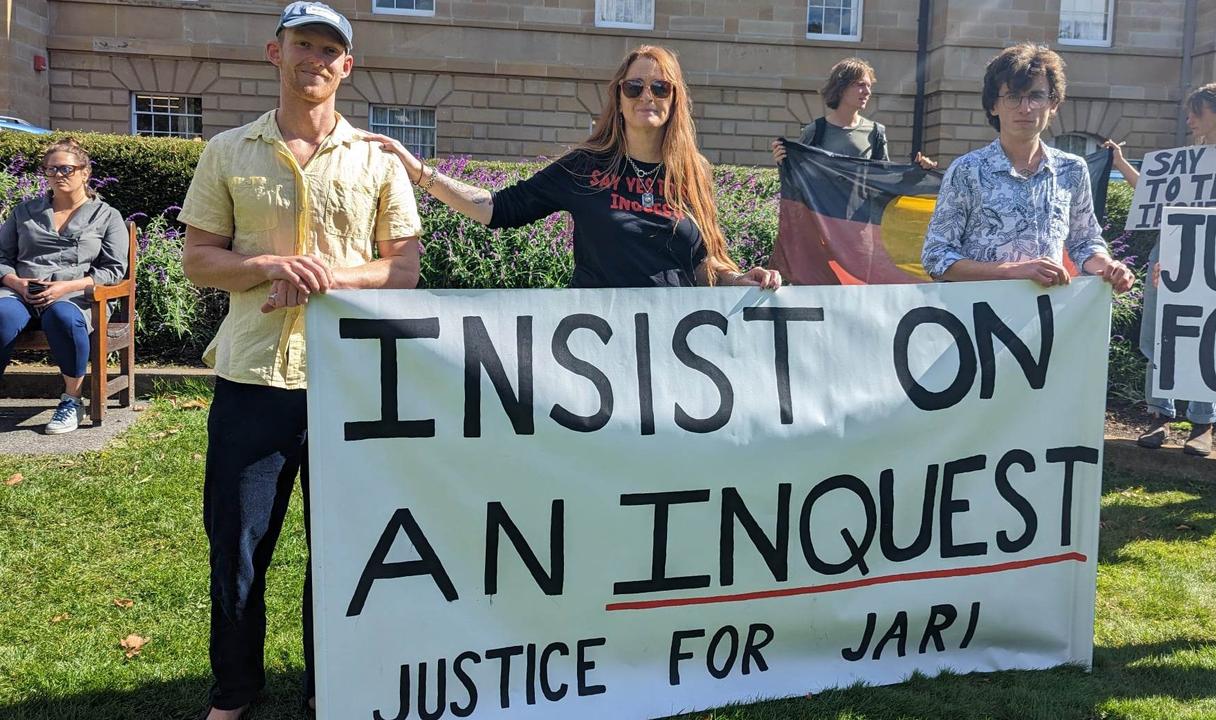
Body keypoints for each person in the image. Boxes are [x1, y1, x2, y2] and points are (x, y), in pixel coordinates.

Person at [177, 3, 422, 718]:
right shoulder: (227, 150)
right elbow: (198, 260)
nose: (314, 59)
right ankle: (235, 691)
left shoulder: (376, 159)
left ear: (349, 66)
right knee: (239, 545)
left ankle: (330, 686)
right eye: (302, 45)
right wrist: (265, 263)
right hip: (253, 379)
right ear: (273, 53)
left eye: (329, 50)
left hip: (351, 383)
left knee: (345, 550)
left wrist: (325, 274)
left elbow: (402, 270)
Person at [367, 45, 781, 290]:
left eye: (660, 87)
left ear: (675, 99)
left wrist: (738, 279)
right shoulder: (586, 167)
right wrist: (419, 171)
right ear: (618, 98)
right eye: (634, 87)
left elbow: (702, 260)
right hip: (599, 337)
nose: (646, 96)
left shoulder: (694, 171)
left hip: (673, 342)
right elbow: (497, 208)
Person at [1103, 80, 1216, 455]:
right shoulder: (1186, 159)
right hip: (1165, 257)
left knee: (1208, 339)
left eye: (1196, 112)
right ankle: (1159, 417)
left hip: (1213, 260)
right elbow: (1154, 196)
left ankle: (1203, 423)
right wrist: (1120, 163)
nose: (1189, 120)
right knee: (1159, 337)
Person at [920, 42, 1134, 294]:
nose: (1025, 108)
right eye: (1012, 97)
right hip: (976, 322)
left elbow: (1084, 243)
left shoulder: (1072, 170)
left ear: (1053, 104)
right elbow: (936, 256)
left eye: (1036, 96)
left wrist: (1108, 267)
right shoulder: (967, 171)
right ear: (993, 106)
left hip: (1045, 320)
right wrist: (1012, 271)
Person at [0, 137, 128, 434]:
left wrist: (66, 287)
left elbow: (114, 271)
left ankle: (72, 399)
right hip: (21, 292)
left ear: (85, 172)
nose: (58, 175)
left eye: (66, 169)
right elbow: (2, 257)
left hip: (76, 295)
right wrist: (15, 282)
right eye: (50, 169)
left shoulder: (107, 216)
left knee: (63, 316)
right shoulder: (24, 212)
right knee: (2, 315)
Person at [770, 57, 937, 169]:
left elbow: (884, 180)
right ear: (841, 88)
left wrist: (918, 170)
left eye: (869, 86)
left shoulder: (875, 132)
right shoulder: (815, 130)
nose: (867, 92)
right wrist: (782, 162)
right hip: (823, 220)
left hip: (860, 220)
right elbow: (800, 177)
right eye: (860, 85)